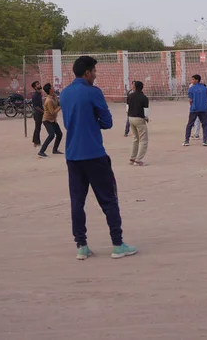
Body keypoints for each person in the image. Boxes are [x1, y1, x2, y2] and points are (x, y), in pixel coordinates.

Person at [60, 56, 137, 260]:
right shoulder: (93, 92)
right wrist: (95, 121)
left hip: (73, 155)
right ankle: (117, 244)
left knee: (77, 201)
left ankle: (81, 245)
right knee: (109, 199)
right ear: (87, 73)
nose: (95, 75)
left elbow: (68, 123)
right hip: (94, 153)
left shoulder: (65, 93)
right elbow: (107, 121)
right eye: (94, 71)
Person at [183, 75, 207, 147]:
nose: (191, 81)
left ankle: (186, 141)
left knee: (189, 124)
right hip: (203, 109)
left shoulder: (191, 89)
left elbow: (190, 100)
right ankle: (205, 141)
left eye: (193, 79)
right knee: (205, 125)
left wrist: (192, 106)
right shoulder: (205, 89)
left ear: (196, 80)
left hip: (194, 109)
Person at [127, 81, 149, 166]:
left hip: (131, 118)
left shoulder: (130, 96)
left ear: (135, 87)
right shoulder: (144, 98)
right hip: (139, 118)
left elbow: (127, 108)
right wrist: (146, 118)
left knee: (135, 138)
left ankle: (132, 158)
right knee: (143, 139)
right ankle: (139, 159)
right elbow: (146, 112)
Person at [38, 83, 63, 157]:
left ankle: (55, 150)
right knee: (51, 135)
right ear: (49, 90)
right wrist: (60, 107)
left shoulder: (54, 96)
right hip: (47, 120)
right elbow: (52, 112)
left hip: (53, 120)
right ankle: (41, 151)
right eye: (52, 87)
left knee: (59, 134)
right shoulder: (48, 100)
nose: (53, 87)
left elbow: (58, 103)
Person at [31, 81, 44, 148]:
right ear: (35, 87)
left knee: (38, 128)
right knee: (37, 128)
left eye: (39, 83)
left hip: (40, 113)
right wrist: (43, 111)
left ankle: (36, 141)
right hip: (37, 114)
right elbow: (36, 106)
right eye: (37, 84)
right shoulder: (35, 95)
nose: (39, 85)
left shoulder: (39, 94)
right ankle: (36, 142)